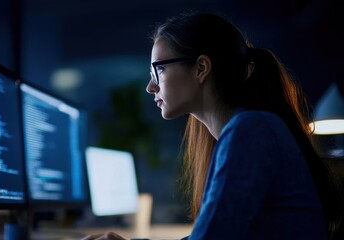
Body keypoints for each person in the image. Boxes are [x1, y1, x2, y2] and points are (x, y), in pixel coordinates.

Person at [82, 12, 342, 240]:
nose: (151, 87)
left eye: (158, 70)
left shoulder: (249, 131)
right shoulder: (250, 127)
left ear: (201, 68)